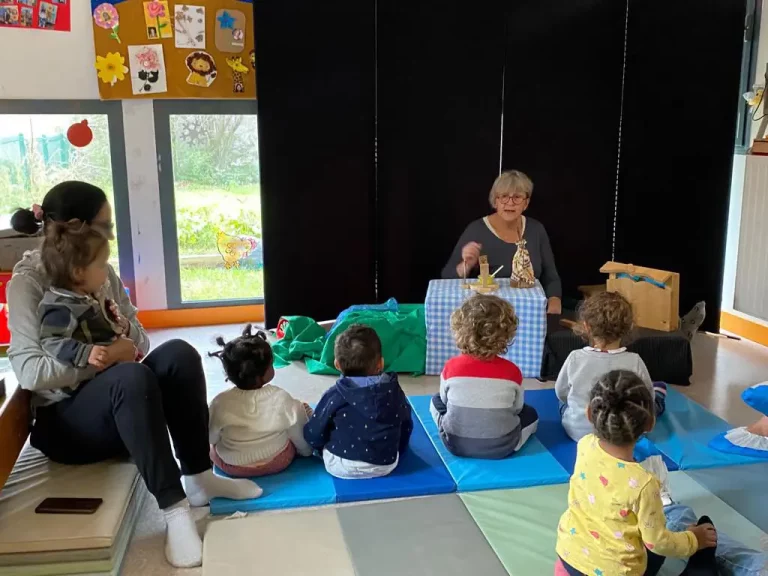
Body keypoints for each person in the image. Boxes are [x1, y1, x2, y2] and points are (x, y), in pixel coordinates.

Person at [7, 181, 260, 569]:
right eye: (106, 225)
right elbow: (29, 371)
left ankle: (199, 476)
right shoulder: (29, 284)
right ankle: (174, 511)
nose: (111, 233)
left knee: (179, 353)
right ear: (78, 225)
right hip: (70, 423)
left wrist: (121, 330)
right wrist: (104, 356)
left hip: (121, 406)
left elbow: (139, 334)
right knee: (131, 378)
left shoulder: (100, 268)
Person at [555, 370, 718, 576]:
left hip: (568, 560)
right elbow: (657, 542)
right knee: (665, 543)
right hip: (615, 571)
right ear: (650, 423)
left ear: (589, 414)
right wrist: (694, 540)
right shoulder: (643, 484)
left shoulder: (585, 445)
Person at [430, 294, 539, 458]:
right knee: (531, 414)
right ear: (505, 336)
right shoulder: (512, 372)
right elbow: (517, 408)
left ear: (460, 330)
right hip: (503, 446)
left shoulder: (451, 367)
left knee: (435, 401)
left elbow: (445, 401)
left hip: (455, 444)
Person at [441, 170, 562, 315]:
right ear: (495, 201)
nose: (510, 203)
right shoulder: (476, 230)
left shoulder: (536, 229)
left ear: (526, 203)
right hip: (487, 314)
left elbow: (551, 275)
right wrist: (466, 265)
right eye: (504, 196)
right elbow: (446, 277)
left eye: (517, 197)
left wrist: (555, 301)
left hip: (529, 310)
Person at [303, 325, 413, 479]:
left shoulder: (335, 394)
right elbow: (406, 424)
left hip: (341, 466)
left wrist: (315, 445)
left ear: (337, 365)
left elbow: (315, 432)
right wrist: (398, 449)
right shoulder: (394, 390)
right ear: (380, 363)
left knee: (319, 425)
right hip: (386, 464)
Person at [556, 291, 667, 442]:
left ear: (586, 327)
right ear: (628, 327)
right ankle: (660, 392)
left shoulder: (575, 357)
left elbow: (561, 392)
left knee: (563, 403)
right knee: (654, 401)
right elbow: (647, 398)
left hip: (578, 432)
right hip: (625, 432)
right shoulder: (634, 361)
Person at [208, 325, 313, 479]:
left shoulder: (219, 402)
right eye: (271, 364)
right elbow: (299, 437)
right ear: (262, 375)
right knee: (297, 413)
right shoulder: (281, 398)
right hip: (277, 462)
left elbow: (211, 438)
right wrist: (306, 452)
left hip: (232, 466)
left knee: (211, 448)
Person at [37, 220, 128, 372]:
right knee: (137, 375)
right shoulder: (61, 306)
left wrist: (116, 321)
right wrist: (85, 353)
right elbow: (51, 341)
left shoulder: (90, 294)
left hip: (114, 367)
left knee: (175, 350)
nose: (107, 270)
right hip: (88, 381)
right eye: (102, 264)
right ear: (79, 272)